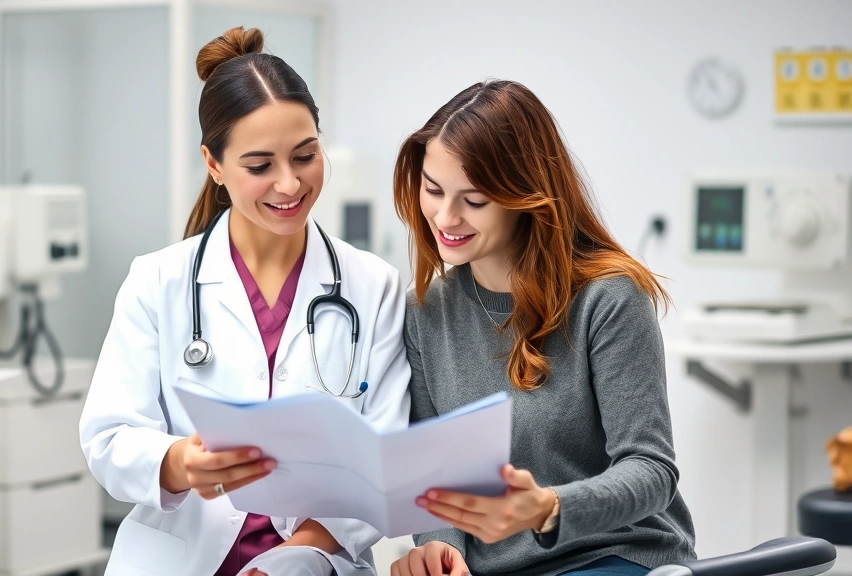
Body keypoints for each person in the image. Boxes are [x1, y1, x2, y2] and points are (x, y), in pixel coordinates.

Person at [79, 26, 410, 576]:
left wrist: (296, 555)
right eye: (260, 166)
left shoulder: (372, 285)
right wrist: (178, 461)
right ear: (214, 165)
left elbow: (384, 455)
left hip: (315, 562)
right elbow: (107, 438)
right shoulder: (157, 280)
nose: (289, 184)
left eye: (305, 156)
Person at [389, 80, 696, 576]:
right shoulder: (424, 313)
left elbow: (651, 471)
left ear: (524, 196)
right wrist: (440, 550)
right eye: (433, 190)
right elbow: (436, 475)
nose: (445, 217)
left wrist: (548, 507)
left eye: (475, 199)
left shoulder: (609, 298)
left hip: (613, 554)